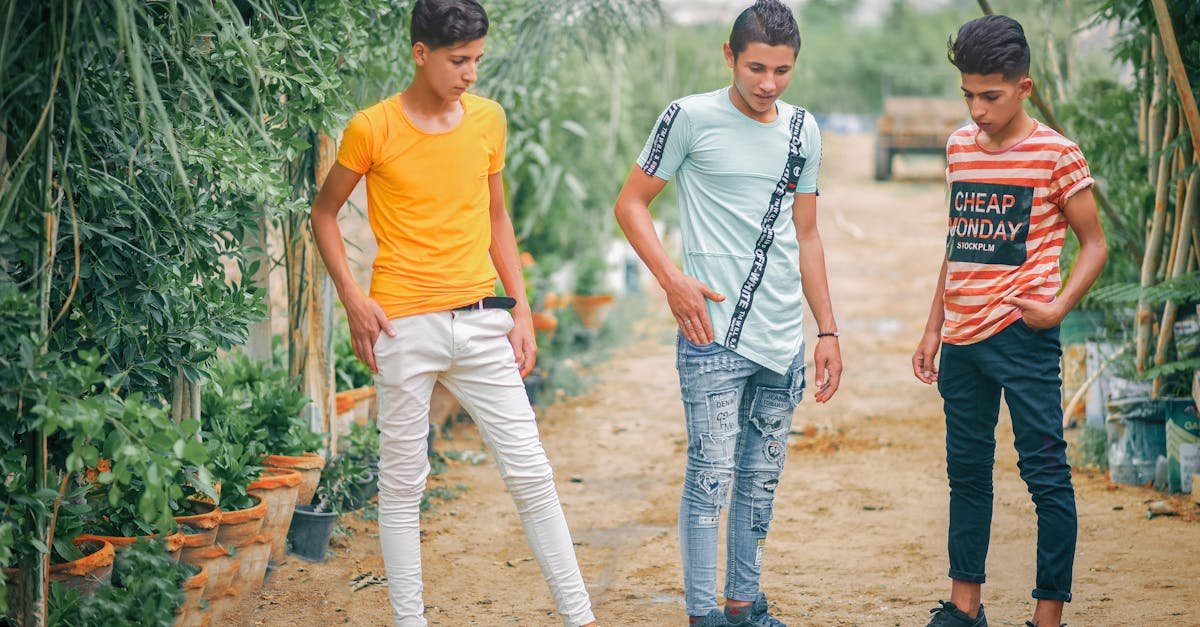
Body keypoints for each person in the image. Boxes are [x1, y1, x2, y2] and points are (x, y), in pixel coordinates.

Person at [309, 1, 597, 625]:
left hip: (482, 320)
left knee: (531, 473)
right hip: (403, 326)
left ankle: (581, 617)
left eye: (477, 60)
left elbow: (496, 215)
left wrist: (519, 308)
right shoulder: (372, 128)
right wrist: (354, 301)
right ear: (421, 54)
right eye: (458, 60)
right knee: (403, 486)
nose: (471, 73)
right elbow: (324, 213)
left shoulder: (488, 120)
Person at [613, 2, 843, 625]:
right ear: (729, 56)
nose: (769, 83)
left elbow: (809, 236)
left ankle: (743, 606)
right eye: (757, 67)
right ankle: (701, 614)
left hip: (782, 337)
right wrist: (672, 281)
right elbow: (631, 204)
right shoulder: (688, 118)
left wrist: (826, 329)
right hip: (710, 332)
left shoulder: (804, 130)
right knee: (710, 477)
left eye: (783, 70)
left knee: (758, 483)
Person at [911, 15, 1107, 627]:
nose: (977, 109)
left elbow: (1094, 243)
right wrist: (931, 327)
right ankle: (963, 607)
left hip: (1024, 337)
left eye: (990, 96)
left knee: (1044, 473)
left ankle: (1047, 614)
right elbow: (957, 239)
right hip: (962, 341)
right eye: (968, 94)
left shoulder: (1057, 154)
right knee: (966, 475)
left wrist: (1056, 307)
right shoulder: (958, 146)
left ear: (1023, 87)